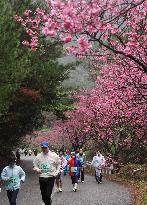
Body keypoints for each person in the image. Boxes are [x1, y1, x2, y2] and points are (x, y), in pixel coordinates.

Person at [33, 141, 61, 205]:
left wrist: (57, 172)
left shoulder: (54, 155)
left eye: (45, 147)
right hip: (42, 177)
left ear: (48, 147)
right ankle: (48, 201)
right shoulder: (38, 156)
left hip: (50, 177)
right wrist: (37, 169)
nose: (44, 149)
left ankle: (48, 202)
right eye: (42, 148)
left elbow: (59, 164)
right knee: (43, 196)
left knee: (48, 195)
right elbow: (35, 165)